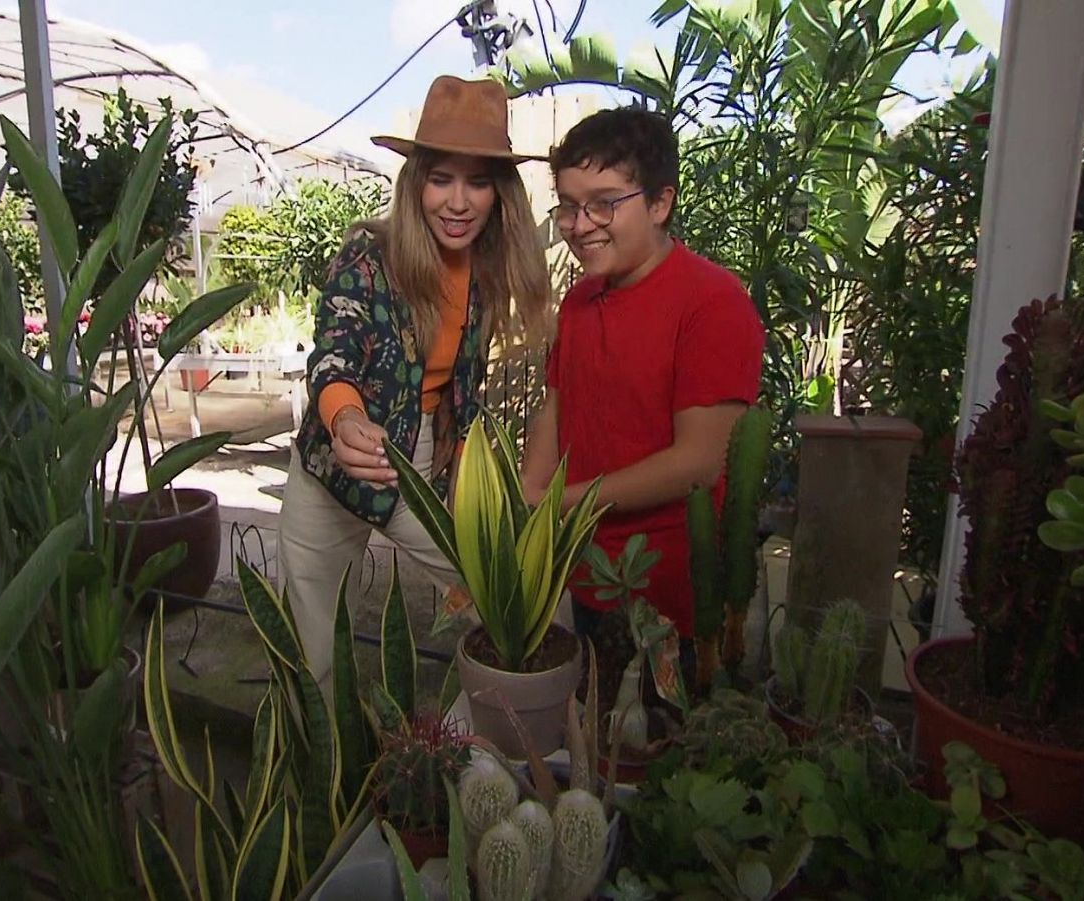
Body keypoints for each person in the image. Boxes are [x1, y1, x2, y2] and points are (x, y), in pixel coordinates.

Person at [279, 75, 551, 685]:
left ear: (499, 193)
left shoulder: (487, 271)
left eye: (477, 181)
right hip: (329, 466)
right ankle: (329, 773)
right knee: (314, 658)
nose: (458, 202)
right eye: (441, 178)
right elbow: (334, 355)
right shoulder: (368, 259)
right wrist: (346, 417)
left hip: (419, 462)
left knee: (498, 596)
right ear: (415, 183)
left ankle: (470, 750)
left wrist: (459, 466)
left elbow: (462, 390)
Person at [519, 105, 764, 649]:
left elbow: (699, 462)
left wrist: (558, 503)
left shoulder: (713, 304)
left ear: (660, 202)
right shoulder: (580, 301)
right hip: (583, 573)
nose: (580, 226)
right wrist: (526, 498)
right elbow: (557, 407)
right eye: (569, 207)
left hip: (672, 597)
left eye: (603, 205)